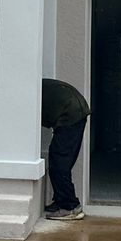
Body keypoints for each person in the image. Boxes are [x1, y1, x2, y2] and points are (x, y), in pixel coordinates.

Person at [41, 77, 90, 221]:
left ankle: (70, 206)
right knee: (61, 160)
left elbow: (15, 126)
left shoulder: (23, 94)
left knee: (59, 161)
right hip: (74, 110)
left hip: (71, 113)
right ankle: (61, 201)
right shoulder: (34, 85)